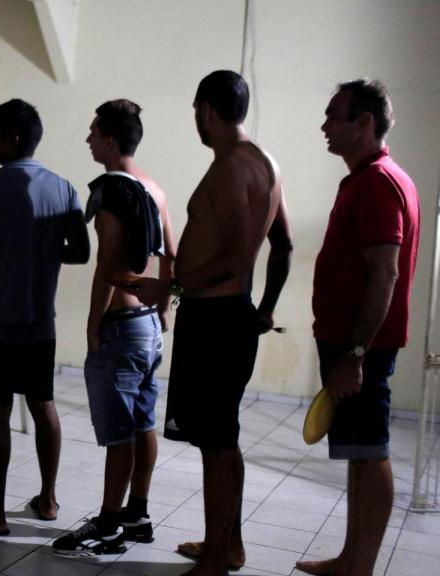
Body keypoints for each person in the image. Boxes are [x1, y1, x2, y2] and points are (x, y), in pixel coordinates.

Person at [134, 70, 292, 576]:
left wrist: (171, 287)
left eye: (195, 113)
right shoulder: (266, 164)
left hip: (214, 319)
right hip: (232, 313)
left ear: (206, 110)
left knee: (217, 443)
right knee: (221, 437)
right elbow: (282, 246)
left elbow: (237, 257)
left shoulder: (228, 168)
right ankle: (228, 544)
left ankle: (217, 559)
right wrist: (265, 307)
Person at [295, 80, 419, 576]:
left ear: (364, 123)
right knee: (359, 452)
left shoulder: (376, 183)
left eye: (334, 115)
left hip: (361, 347)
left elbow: (385, 273)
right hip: (351, 344)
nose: (324, 125)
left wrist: (356, 353)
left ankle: (360, 567)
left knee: (370, 452)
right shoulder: (369, 178)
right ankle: (351, 558)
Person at [0, 99, 90, 536]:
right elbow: (81, 251)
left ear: (13, 139)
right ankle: (48, 499)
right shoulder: (64, 188)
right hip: (39, 323)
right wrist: (41, 251)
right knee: (43, 405)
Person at [53, 99, 176, 554]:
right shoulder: (154, 189)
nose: (87, 139)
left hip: (121, 325)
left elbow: (106, 268)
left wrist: (92, 326)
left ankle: (108, 525)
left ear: (108, 139)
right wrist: (163, 308)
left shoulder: (111, 192)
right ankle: (136, 514)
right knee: (143, 423)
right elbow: (170, 256)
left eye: (92, 132)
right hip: (148, 325)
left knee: (120, 432)